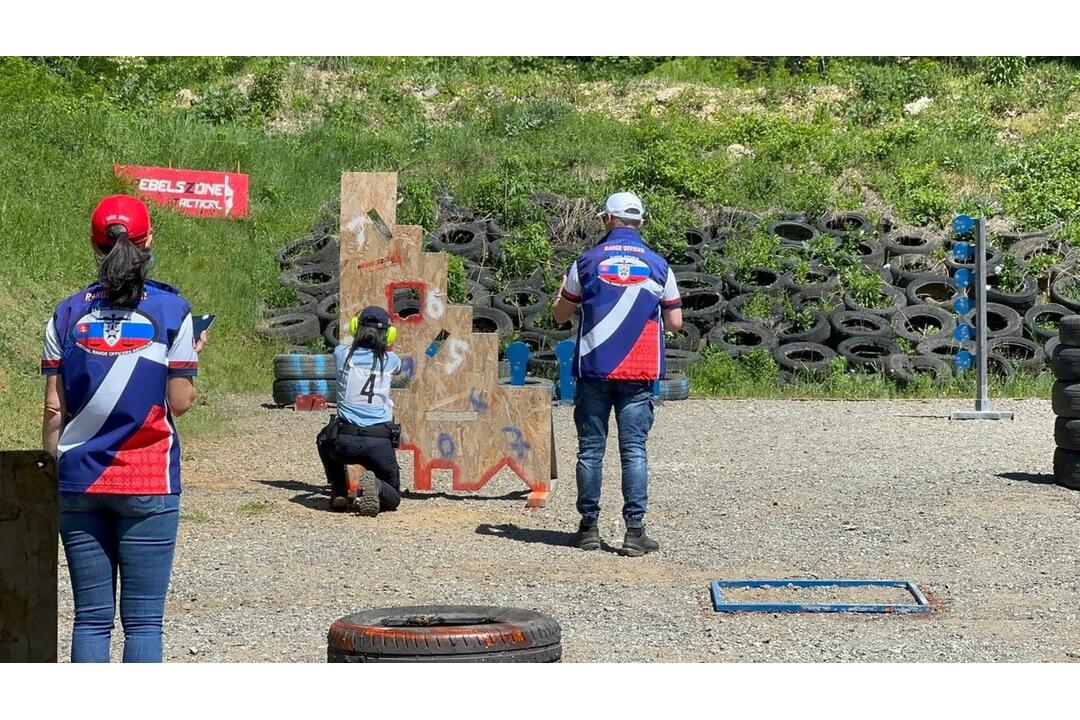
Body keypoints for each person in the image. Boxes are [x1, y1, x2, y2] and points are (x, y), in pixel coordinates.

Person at [42, 194, 208, 662]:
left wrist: (54, 472)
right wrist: (192, 354)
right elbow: (181, 402)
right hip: (148, 477)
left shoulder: (67, 312)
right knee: (143, 624)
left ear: (95, 246)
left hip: (78, 477)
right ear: (149, 240)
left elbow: (54, 409)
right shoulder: (172, 310)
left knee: (91, 618)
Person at [552, 191, 683, 557]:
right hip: (638, 370)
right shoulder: (660, 265)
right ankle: (634, 532)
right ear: (640, 222)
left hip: (594, 368)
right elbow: (675, 322)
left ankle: (588, 528)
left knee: (591, 450)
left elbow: (561, 315)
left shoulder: (587, 261)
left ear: (607, 220)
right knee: (634, 451)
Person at [317, 305, 403, 516]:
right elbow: (397, 367)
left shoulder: (342, 355)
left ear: (356, 328)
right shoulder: (391, 361)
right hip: (379, 443)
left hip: (344, 441)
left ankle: (339, 489)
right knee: (394, 496)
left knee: (323, 439)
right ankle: (377, 487)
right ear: (389, 334)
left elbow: (345, 347)